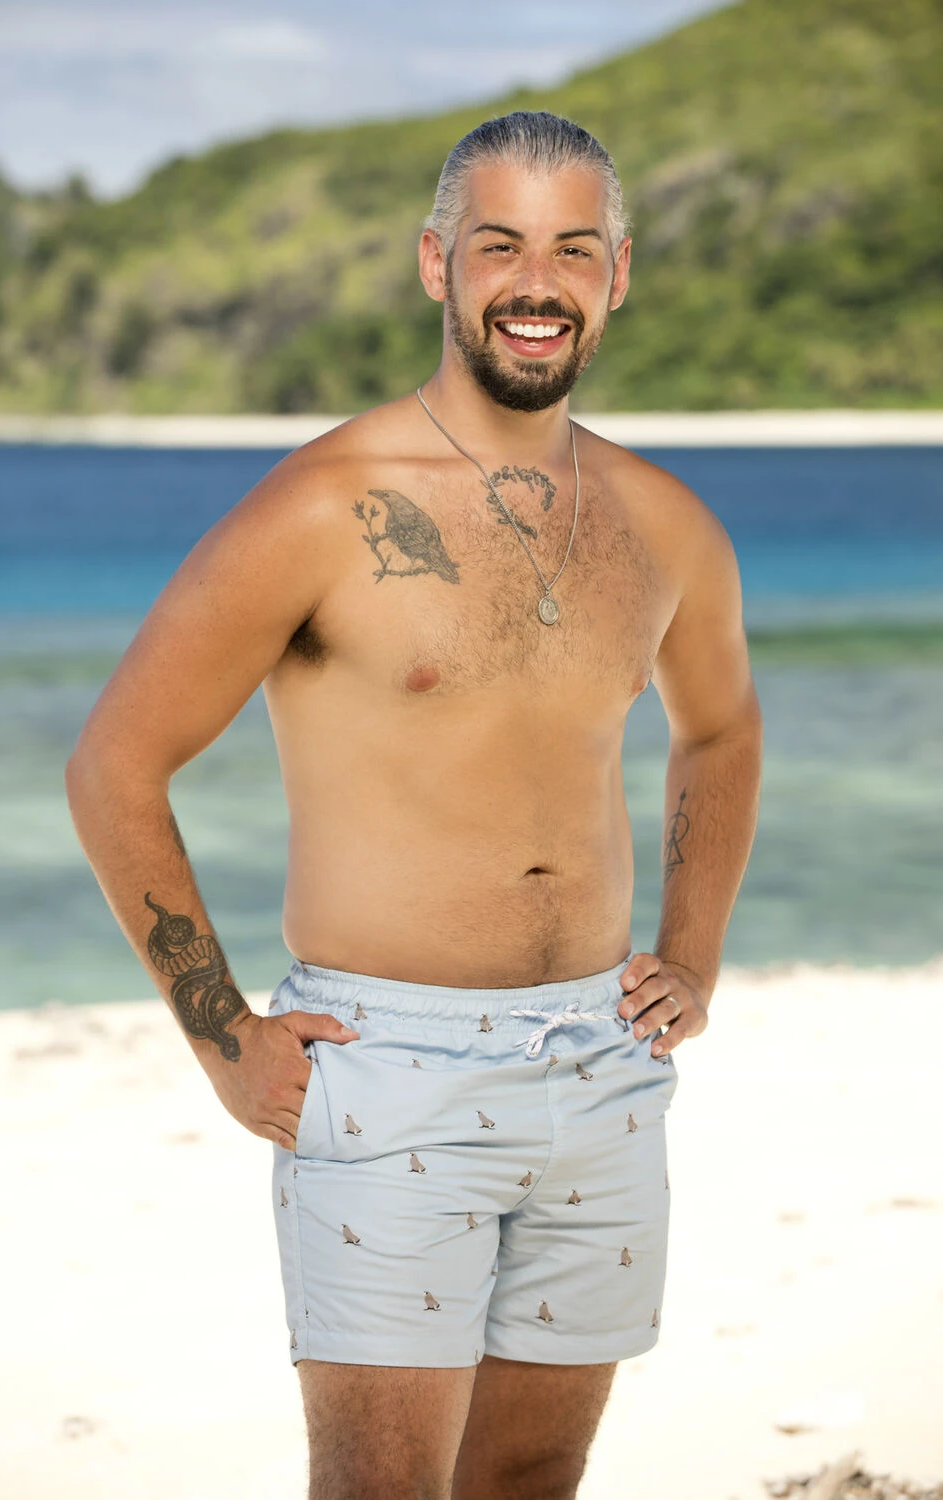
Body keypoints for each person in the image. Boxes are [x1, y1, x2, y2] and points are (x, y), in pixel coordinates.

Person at [66, 110, 762, 1500]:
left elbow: (722, 730)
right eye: (500, 245)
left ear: (619, 275)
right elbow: (115, 765)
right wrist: (224, 1038)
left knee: (531, 1480)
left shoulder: (664, 522)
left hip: (604, 1066)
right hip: (388, 1071)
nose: (536, 283)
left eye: (573, 249)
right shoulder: (324, 506)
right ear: (437, 263)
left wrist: (692, 957)